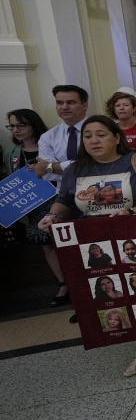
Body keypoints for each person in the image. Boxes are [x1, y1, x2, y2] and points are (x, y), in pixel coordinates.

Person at [36, 115, 136, 379]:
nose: (93, 140)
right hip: (98, 247)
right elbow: (64, 200)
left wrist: (131, 211)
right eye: (88, 136)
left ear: (116, 138)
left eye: (101, 134)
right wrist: (53, 215)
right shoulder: (76, 169)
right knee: (121, 296)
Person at [36, 85, 89, 306]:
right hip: (65, 202)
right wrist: (54, 167)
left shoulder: (98, 129)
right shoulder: (49, 136)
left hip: (98, 199)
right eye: (60, 102)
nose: (64, 107)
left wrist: (54, 166)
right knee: (72, 255)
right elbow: (43, 174)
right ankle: (83, 305)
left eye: (70, 102)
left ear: (84, 105)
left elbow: (93, 164)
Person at [5, 110, 63, 296]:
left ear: (33, 125)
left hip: (57, 200)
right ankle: (63, 283)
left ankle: (76, 282)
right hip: (32, 205)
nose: (16, 130)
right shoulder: (11, 151)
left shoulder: (49, 144)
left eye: (20, 125)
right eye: (12, 126)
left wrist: (43, 169)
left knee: (63, 242)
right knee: (46, 245)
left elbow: (65, 170)